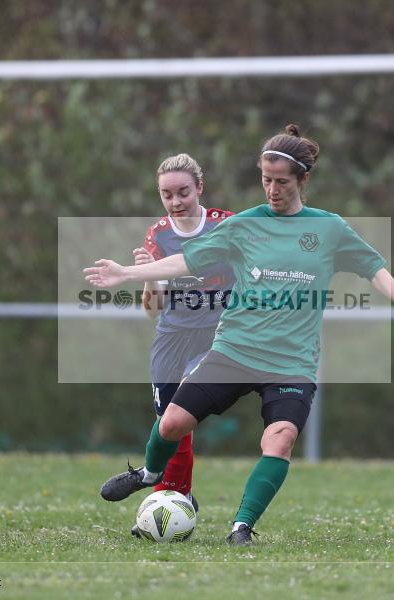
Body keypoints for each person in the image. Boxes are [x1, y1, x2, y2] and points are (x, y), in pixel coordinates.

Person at [85, 125, 394, 545]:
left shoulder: (329, 228)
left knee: (280, 439)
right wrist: (127, 273)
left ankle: (241, 527)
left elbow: (372, 265)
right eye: (266, 180)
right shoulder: (245, 225)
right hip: (234, 350)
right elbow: (184, 263)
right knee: (171, 422)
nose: (272, 189)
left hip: (291, 362)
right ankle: (150, 474)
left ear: (303, 180)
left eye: (282, 181)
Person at [129, 153, 234, 537]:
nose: (175, 202)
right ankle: (176, 500)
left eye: (183, 192)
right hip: (172, 337)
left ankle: (165, 496)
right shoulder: (157, 235)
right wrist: (146, 276)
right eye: (166, 194)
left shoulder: (227, 225)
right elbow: (152, 310)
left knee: (180, 410)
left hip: (218, 333)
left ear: (200, 188)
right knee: (167, 423)